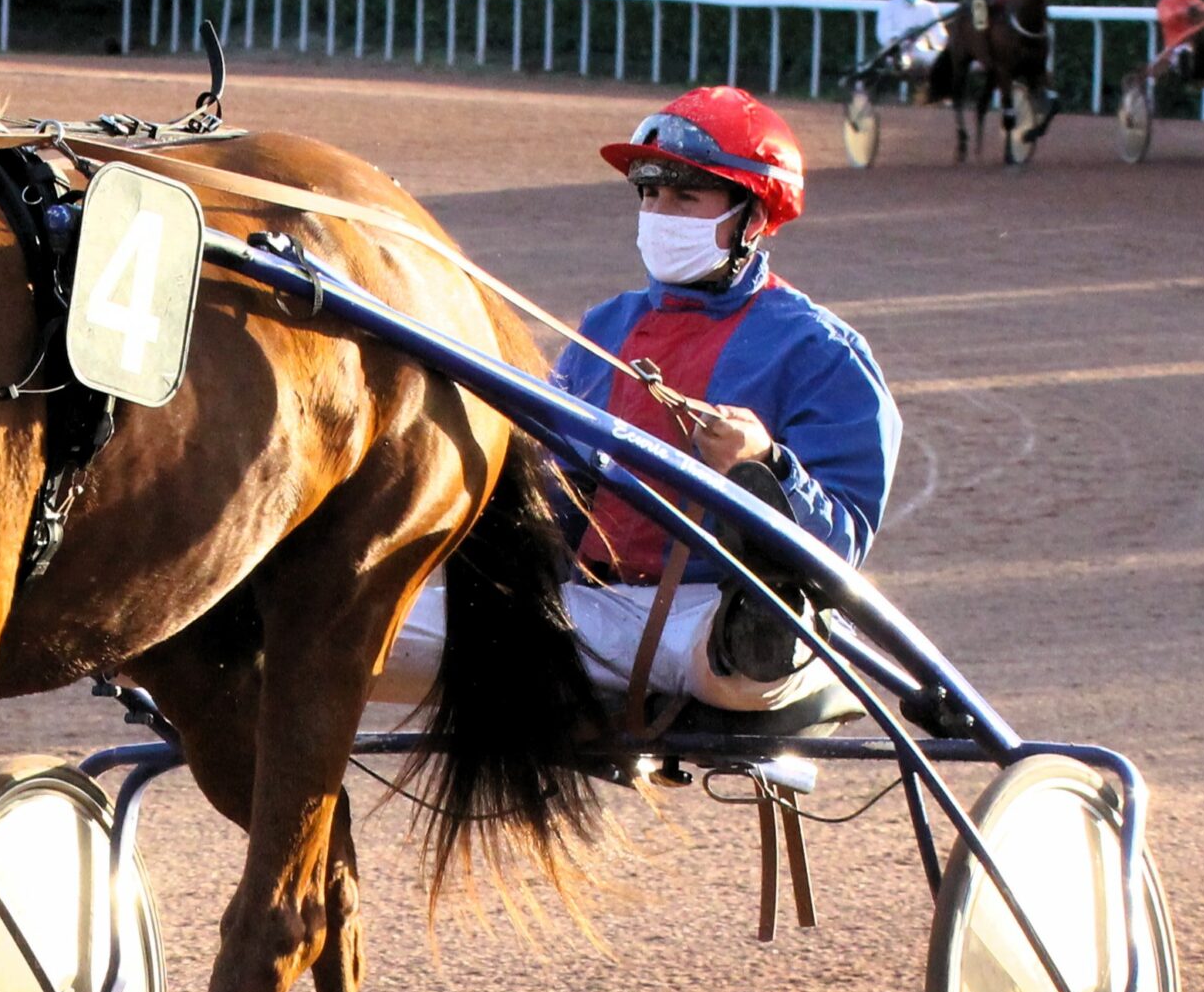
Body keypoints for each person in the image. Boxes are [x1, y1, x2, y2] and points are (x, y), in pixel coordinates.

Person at [380, 87, 901, 721]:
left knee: (748, 648)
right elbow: (548, 494)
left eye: (686, 196)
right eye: (650, 195)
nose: (660, 212)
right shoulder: (604, 328)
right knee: (359, 620)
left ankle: (776, 647)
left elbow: (841, 544)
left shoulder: (821, 352)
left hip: (715, 619)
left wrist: (764, 464)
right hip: (587, 612)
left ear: (754, 216)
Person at [872, 0, 948, 95]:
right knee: (902, 62)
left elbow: (939, 38)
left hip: (921, 53)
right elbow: (883, 33)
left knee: (945, 60)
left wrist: (949, 44)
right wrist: (899, 39)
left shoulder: (930, 8)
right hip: (896, 52)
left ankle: (940, 96)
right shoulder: (890, 6)